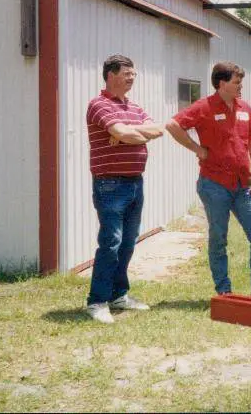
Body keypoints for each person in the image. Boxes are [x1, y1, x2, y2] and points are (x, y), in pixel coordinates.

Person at [166, 61, 251, 299]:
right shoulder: (204, 106)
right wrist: (198, 149)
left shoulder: (245, 108)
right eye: (236, 82)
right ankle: (224, 291)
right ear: (221, 84)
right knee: (219, 238)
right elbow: (173, 125)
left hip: (243, 185)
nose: (241, 86)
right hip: (214, 185)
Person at [85, 54, 164, 324]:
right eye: (127, 73)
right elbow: (134, 134)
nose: (132, 78)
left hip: (134, 183)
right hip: (110, 184)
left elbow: (157, 129)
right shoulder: (98, 104)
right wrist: (127, 134)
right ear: (111, 75)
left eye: (133, 74)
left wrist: (123, 133)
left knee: (128, 242)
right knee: (111, 243)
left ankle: (119, 295)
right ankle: (97, 302)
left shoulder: (134, 106)